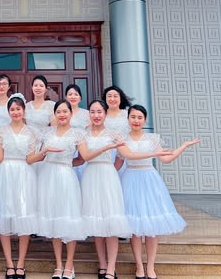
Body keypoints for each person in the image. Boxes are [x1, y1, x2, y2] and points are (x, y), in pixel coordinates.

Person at [117, 104, 199, 279]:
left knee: (152, 226)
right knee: (134, 228)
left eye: (140, 117)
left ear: (145, 120)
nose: (136, 120)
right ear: (128, 119)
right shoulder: (122, 140)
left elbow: (166, 159)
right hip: (130, 180)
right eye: (133, 117)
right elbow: (126, 158)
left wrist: (183, 146)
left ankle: (151, 266)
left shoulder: (153, 139)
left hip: (149, 180)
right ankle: (139, 266)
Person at [28, 100, 86, 279]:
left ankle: (69, 265)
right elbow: (33, 158)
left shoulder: (78, 134)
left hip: (66, 177)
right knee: (53, 218)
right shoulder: (46, 133)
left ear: (70, 113)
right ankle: (59, 264)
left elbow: (82, 159)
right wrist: (44, 152)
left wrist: (67, 163)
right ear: (54, 115)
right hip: (48, 177)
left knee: (68, 216)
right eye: (58, 112)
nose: (62, 115)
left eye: (65, 111)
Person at [77, 100, 132, 279]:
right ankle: (102, 264)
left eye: (99, 111)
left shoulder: (114, 134)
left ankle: (111, 268)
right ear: (89, 114)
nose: (96, 115)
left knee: (111, 220)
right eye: (93, 112)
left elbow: (123, 156)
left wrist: (110, 170)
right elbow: (83, 158)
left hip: (108, 176)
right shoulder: (83, 135)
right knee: (96, 221)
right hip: (90, 176)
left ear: (105, 114)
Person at [0, 94, 38, 279]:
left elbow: (30, 158)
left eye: (18, 109)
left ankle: (21, 263)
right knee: (5, 215)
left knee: (24, 214)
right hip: (5, 173)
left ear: (24, 111)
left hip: (24, 173)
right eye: (12, 109)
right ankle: (9, 263)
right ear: (8, 111)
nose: (15, 112)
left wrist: (43, 153)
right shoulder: (0, 132)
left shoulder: (31, 132)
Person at [102, 85, 132, 172]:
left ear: (120, 98)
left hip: (123, 153)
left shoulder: (127, 115)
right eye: (109, 96)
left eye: (115, 96)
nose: (112, 99)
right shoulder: (100, 115)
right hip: (105, 153)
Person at [65, 84, 90, 180]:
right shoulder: (62, 113)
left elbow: (89, 132)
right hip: (67, 149)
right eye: (70, 94)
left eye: (76, 94)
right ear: (66, 97)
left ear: (80, 98)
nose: (73, 97)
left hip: (82, 150)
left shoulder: (87, 114)